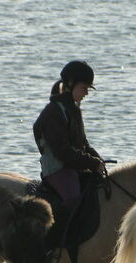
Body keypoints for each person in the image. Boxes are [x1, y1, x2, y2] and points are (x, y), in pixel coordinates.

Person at [33, 60, 103, 214]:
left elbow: (83, 143)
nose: (86, 93)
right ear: (70, 84)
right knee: (73, 199)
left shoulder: (73, 109)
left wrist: (98, 160)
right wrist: (90, 162)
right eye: (84, 88)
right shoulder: (54, 113)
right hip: (58, 168)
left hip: (72, 165)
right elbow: (62, 151)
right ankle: (60, 237)